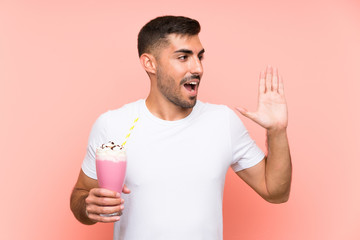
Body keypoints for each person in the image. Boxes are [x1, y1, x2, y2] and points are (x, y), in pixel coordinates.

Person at [70, 15, 292, 240]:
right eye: (183, 57)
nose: (198, 68)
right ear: (150, 63)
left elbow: (275, 192)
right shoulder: (113, 125)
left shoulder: (223, 122)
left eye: (200, 56)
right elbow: (80, 196)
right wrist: (88, 207)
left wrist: (277, 131)